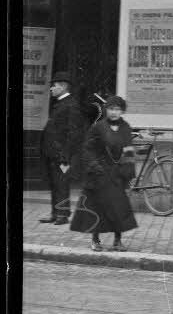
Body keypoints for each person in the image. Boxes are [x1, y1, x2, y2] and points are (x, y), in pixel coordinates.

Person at [68, 95, 138, 252]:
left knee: (118, 207)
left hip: (117, 174)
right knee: (97, 206)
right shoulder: (98, 127)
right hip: (99, 172)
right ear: (106, 110)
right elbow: (88, 148)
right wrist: (94, 165)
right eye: (111, 109)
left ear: (122, 111)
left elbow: (128, 150)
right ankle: (95, 239)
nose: (114, 112)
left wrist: (128, 173)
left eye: (117, 109)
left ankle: (117, 241)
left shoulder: (126, 128)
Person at [39, 70, 84, 225]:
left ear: (63, 86)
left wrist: (66, 154)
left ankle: (63, 215)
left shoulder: (71, 105)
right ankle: (55, 213)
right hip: (52, 152)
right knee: (54, 182)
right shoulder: (60, 103)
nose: (51, 88)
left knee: (61, 183)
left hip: (61, 154)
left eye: (54, 85)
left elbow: (74, 133)